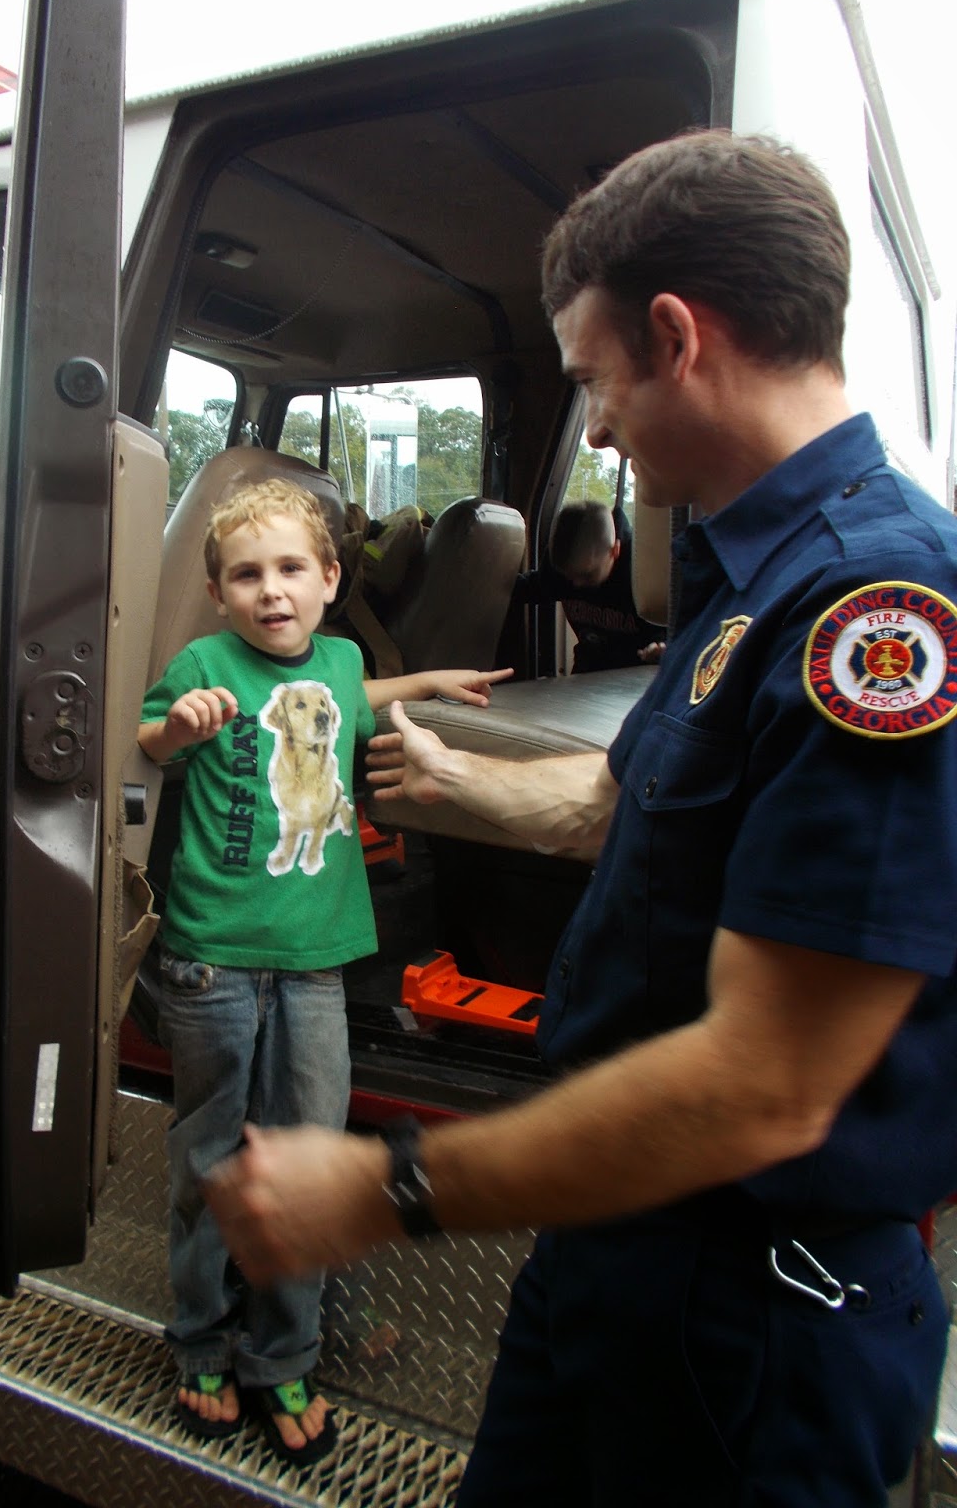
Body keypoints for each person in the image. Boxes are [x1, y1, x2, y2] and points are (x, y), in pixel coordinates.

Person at [203, 132, 957, 1505]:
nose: (595, 427)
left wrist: (389, 1188)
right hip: (617, 1244)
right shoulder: (749, 567)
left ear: (677, 337)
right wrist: (460, 787)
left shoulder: (874, 612)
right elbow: (637, 808)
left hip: (750, 1313)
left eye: (596, 379)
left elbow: (766, 1086)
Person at [137, 476, 510, 1466]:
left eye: (292, 568)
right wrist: (180, 729)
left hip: (315, 965)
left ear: (330, 578)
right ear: (219, 592)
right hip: (213, 961)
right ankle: (202, 1341)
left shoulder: (344, 659)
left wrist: (425, 685)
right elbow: (147, 736)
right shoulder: (202, 663)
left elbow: (354, 693)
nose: (272, 590)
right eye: (247, 574)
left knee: (307, 1152)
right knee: (212, 1155)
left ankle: (283, 1351)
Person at [517, 498, 666, 670]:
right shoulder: (560, 570)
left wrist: (660, 647)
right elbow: (533, 587)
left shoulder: (644, 577)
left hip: (634, 676)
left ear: (614, 551)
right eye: (568, 577)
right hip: (586, 672)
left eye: (586, 575)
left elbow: (665, 631)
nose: (576, 584)